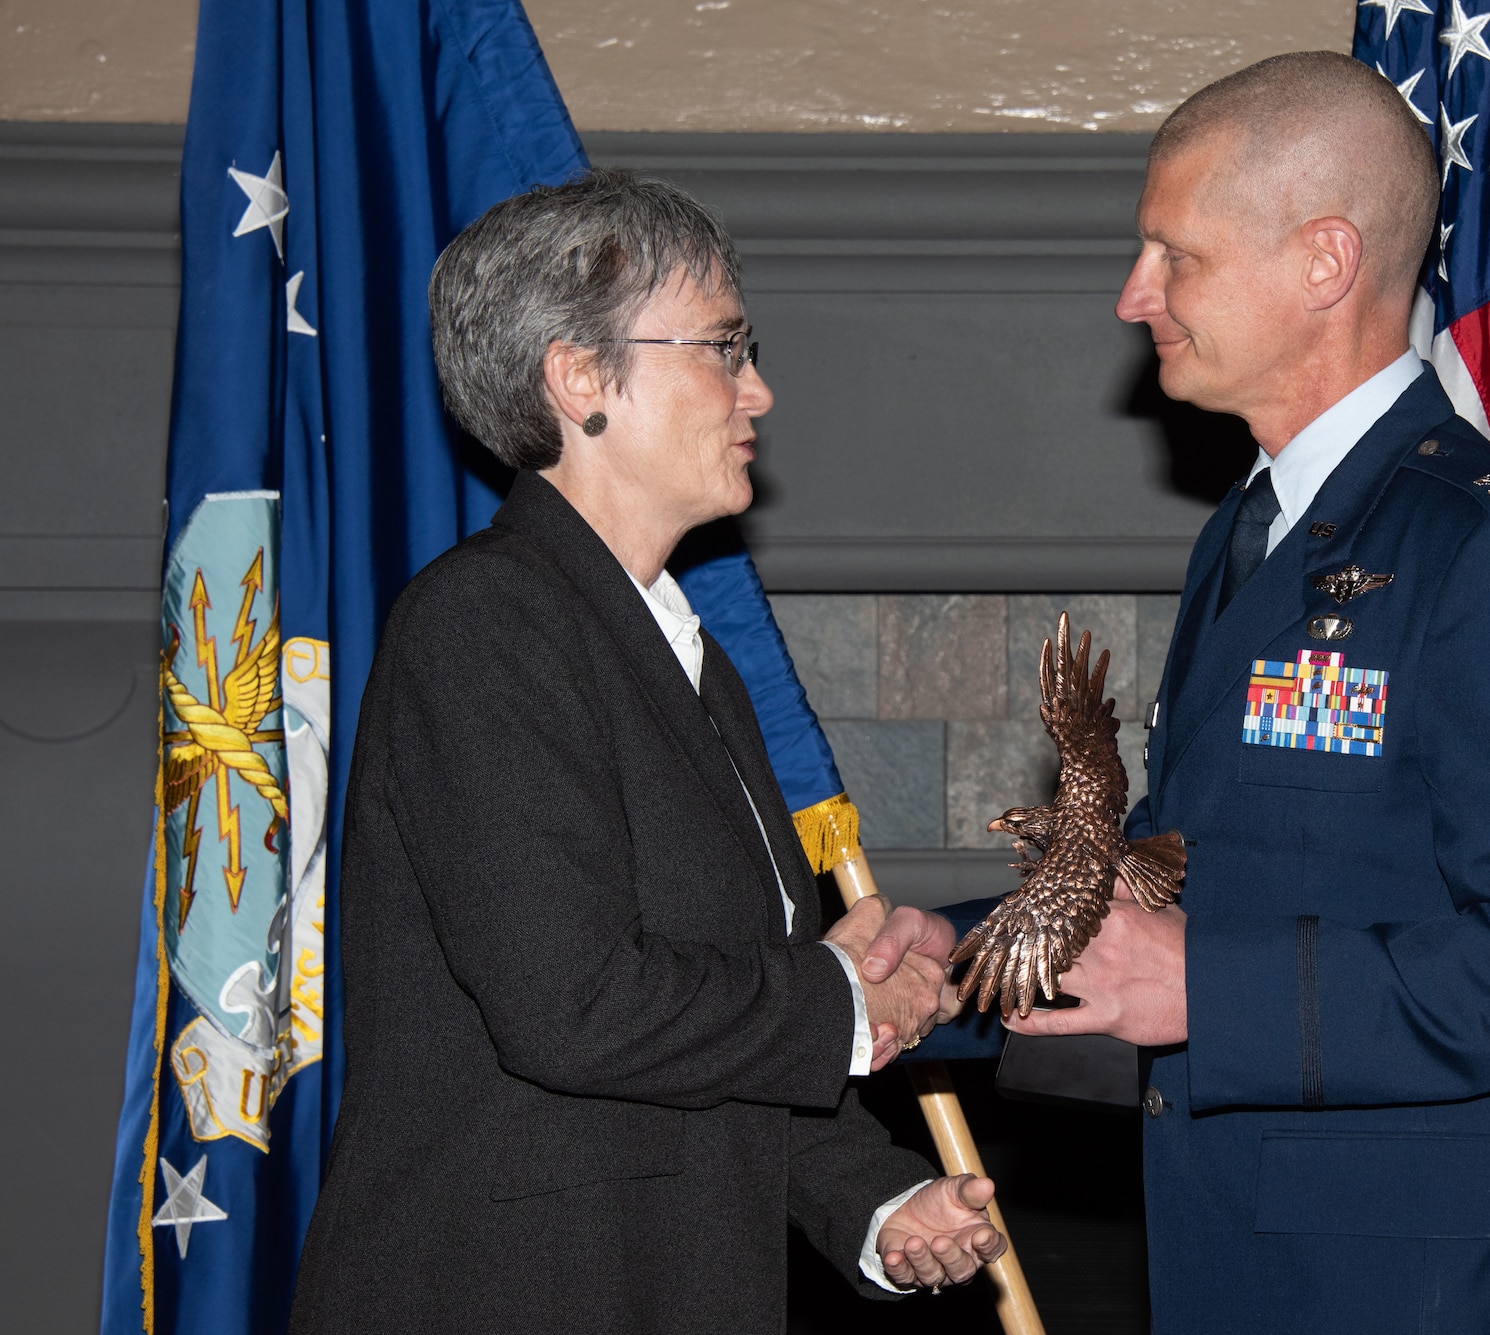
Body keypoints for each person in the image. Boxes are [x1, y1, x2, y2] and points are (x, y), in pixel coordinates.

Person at [1000, 53, 1490, 1331]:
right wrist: (958, 953)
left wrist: (1214, 990)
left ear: (1323, 263)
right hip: (1237, 1265)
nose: (1130, 294)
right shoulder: (1250, 530)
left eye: (1172, 255)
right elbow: (1219, 868)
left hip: (1416, 1293)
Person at [289, 169, 1006, 1335]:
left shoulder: (682, 654)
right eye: (724, 346)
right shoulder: (486, 624)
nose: (758, 389)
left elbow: (713, 1021)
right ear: (579, 379)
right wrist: (845, 998)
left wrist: (872, 1204)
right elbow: (573, 1005)